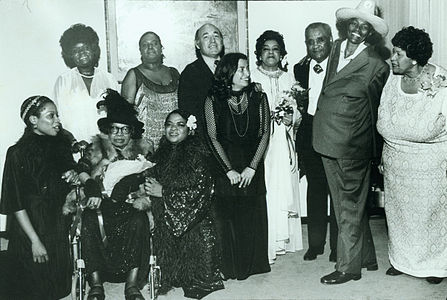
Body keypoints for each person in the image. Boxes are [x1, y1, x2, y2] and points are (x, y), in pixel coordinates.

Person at [312, 0, 390, 284]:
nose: (358, 30)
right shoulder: (335, 47)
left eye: (365, 26)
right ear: (347, 25)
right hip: (325, 139)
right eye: (354, 24)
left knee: (347, 207)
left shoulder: (376, 65)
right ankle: (366, 257)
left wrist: (373, 151)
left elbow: (377, 109)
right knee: (347, 203)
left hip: (351, 145)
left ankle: (348, 268)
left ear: (371, 32)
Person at [65, 89, 153, 300]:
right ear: (108, 131)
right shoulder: (96, 148)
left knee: (139, 221)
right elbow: (82, 168)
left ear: (132, 132)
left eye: (125, 130)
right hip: (100, 204)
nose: (119, 135)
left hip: (130, 203)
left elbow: (151, 173)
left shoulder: (142, 149)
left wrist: (135, 184)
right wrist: (93, 185)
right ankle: (95, 284)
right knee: (87, 221)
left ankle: (132, 285)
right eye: (115, 129)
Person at [377, 26, 447, 284]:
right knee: (398, 216)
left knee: (429, 218)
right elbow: (383, 114)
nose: (392, 58)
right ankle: (401, 260)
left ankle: (434, 265)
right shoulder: (393, 79)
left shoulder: (440, 82)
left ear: (415, 58)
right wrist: (384, 156)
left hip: (430, 165)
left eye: (397, 53)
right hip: (395, 163)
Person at [140, 109, 224, 299]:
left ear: (190, 129)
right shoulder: (161, 154)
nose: (173, 129)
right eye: (169, 124)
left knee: (195, 272)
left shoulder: (197, 154)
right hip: (166, 219)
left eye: (180, 124)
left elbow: (200, 192)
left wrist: (163, 192)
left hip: (196, 221)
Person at [0, 96, 77, 299]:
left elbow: (67, 183)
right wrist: (34, 241)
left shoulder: (61, 148)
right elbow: (15, 202)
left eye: (57, 115)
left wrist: (73, 175)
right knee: (32, 288)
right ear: (33, 120)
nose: (57, 121)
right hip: (30, 227)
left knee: (59, 288)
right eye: (50, 116)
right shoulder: (17, 153)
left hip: (56, 224)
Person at [204, 52, 271, 280]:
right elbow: (212, 137)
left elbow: (264, 133)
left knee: (251, 214)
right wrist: (228, 170)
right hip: (226, 165)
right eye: (241, 69)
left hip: (252, 163)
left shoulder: (258, 97)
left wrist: (252, 167)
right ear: (228, 72)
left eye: (247, 68)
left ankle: (253, 265)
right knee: (228, 218)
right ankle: (230, 267)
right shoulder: (212, 100)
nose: (247, 73)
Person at [250, 30, 303, 265]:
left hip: (284, 139)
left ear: (282, 53)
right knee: (268, 187)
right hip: (263, 143)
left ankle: (285, 238)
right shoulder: (251, 77)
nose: (271, 53)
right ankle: (268, 238)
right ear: (259, 53)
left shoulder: (289, 78)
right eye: (266, 49)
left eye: (275, 49)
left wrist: (292, 118)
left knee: (285, 184)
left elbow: (297, 110)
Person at [293, 23, 338, 263]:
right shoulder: (300, 68)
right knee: (315, 189)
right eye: (310, 41)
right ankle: (316, 244)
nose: (315, 45)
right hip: (310, 135)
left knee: (336, 192)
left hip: (334, 134)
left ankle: (337, 248)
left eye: (320, 40)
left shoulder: (341, 65)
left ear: (330, 40)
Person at [54, 23, 118, 143]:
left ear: (93, 49)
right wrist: (73, 142)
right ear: (70, 55)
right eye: (75, 50)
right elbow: (59, 119)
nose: (81, 53)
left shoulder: (109, 79)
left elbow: (116, 117)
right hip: (75, 148)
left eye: (85, 48)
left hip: (105, 148)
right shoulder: (64, 81)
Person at [121, 31, 179, 149]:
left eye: (154, 43)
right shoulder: (133, 75)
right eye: (145, 44)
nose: (150, 47)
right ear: (140, 51)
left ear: (161, 48)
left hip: (174, 143)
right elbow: (124, 116)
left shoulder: (174, 73)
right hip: (145, 147)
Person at [178, 23, 224, 133]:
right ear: (197, 44)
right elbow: (188, 111)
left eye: (216, 36)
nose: (212, 41)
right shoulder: (190, 73)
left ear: (222, 41)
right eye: (206, 37)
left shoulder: (233, 67)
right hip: (205, 137)